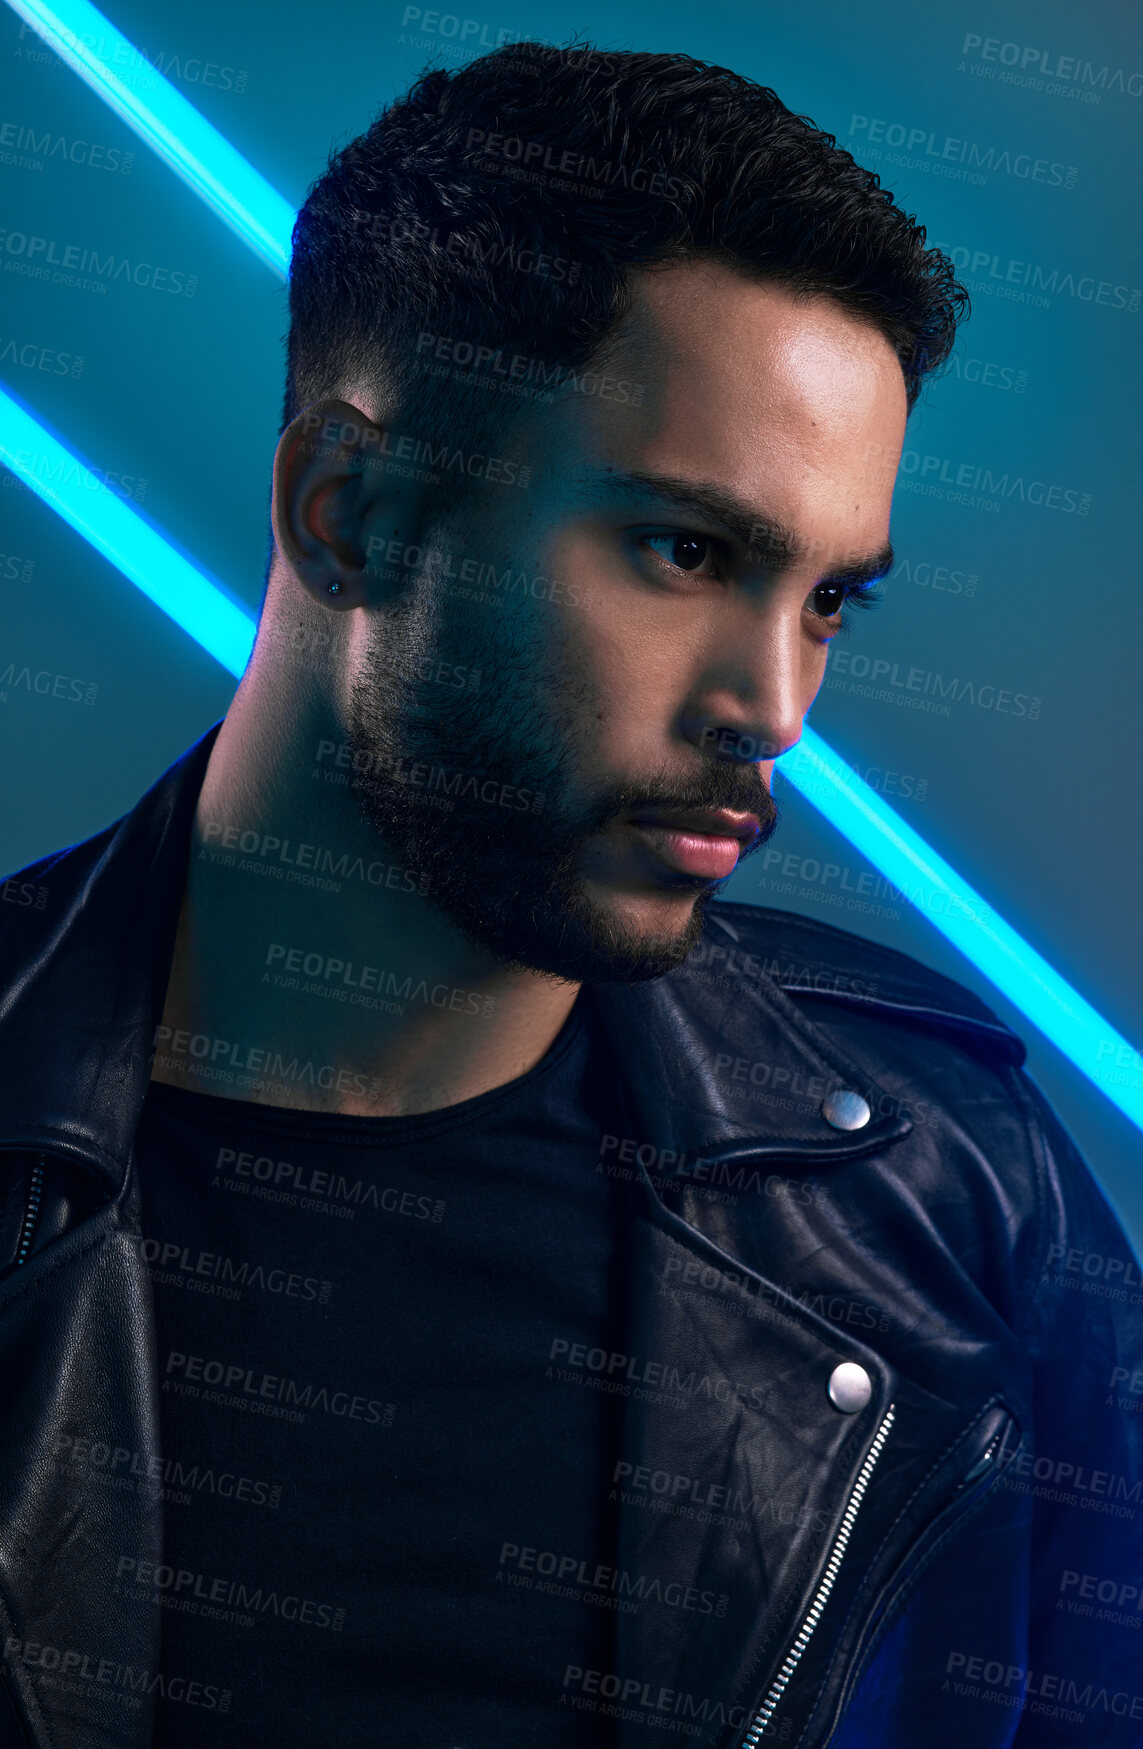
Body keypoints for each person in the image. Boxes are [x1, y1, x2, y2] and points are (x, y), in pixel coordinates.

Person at [1, 43, 1139, 1749]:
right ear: (351, 511)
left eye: (831, 600)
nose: (772, 708)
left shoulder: (957, 1200)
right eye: (686, 551)